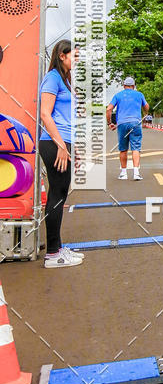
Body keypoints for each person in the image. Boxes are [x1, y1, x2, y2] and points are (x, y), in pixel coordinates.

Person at [38, 40, 84, 268]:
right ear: (62, 55)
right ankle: (53, 254)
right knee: (56, 196)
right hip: (54, 143)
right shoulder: (53, 78)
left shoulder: (64, 80)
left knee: (60, 194)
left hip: (63, 141)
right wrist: (62, 146)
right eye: (74, 55)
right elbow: (45, 114)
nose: (76, 59)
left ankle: (58, 248)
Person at [106, 76, 149, 181]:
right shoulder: (139, 95)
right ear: (133, 86)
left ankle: (123, 173)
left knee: (123, 149)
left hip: (122, 124)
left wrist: (109, 123)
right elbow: (147, 107)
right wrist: (145, 112)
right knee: (136, 148)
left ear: (124, 86)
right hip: (135, 123)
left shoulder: (118, 95)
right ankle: (136, 173)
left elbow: (109, 109)